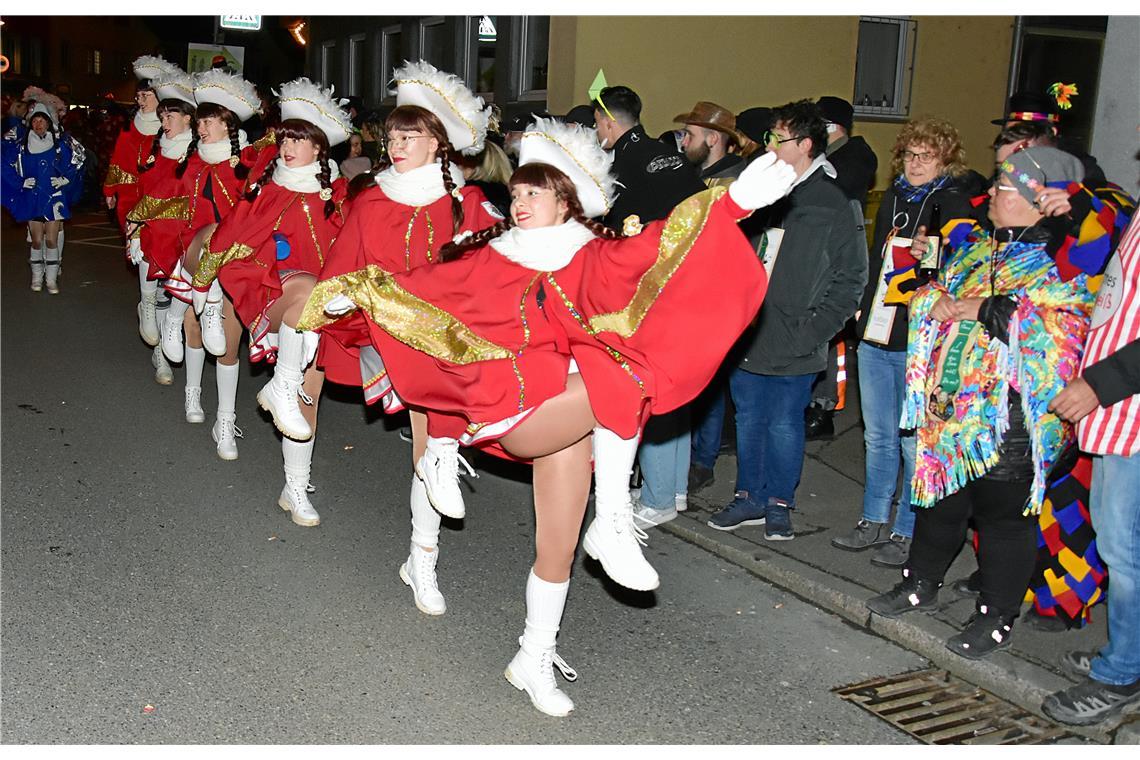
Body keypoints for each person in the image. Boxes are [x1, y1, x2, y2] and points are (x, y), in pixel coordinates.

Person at [299, 117, 797, 716]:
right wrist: (356, 292)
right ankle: (603, 515)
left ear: (568, 200)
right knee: (622, 374)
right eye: (516, 193)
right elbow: (416, 287)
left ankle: (532, 656)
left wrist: (733, 203)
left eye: (534, 192)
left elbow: (662, 245)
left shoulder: (592, 258)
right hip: (498, 411)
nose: (520, 203)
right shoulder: (492, 257)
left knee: (558, 545)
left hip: (562, 418)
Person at [281, 61, 501, 599]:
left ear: (438, 144)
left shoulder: (466, 203)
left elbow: (497, 274)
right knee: (309, 373)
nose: (397, 145)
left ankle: (421, 559)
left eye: (411, 136)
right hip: (365, 315)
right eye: (393, 135)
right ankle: (294, 483)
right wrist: (317, 316)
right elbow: (340, 264)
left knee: (434, 434)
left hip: (426, 332)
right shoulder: (373, 197)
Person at [866, 147, 1096, 659]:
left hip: (1011, 423)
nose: (989, 194)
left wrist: (989, 309)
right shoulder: (975, 249)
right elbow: (927, 292)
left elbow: (1063, 331)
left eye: (1004, 188)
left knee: (1004, 521)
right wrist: (937, 301)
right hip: (950, 415)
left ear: (1040, 201)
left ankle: (996, 615)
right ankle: (920, 581)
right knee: (939, 503)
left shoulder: (1066, 261)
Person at [191, 77, 352, 528]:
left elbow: (353, 248)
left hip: (316, 308)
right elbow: (231, 235)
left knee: (307, 398)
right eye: (286, 137)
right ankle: (225, 418)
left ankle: (295, 486)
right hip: (262, 289)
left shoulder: (337, 196)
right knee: (230, 345)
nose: (288, 147)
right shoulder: (267, 188)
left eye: (299, 140)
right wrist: (203, 283)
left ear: (320, 149)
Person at [706, 99, 867, 541]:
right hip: (749, 333)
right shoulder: (760, 192)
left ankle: (779, 502)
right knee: (749, 419)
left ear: (806, 145)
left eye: (778, 138)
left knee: (783, 424)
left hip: (797, 337)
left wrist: (815, 329)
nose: (769, 145)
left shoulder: (834, 203)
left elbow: (852, 277)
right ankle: (748, 496)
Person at [833, 117, 983, 568]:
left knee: (913, 440)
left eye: (927, 156)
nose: (916, 164)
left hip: (920, 338)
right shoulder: (897, 195)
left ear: (945, 161)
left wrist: (935, 257)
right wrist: (861, 308)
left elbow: (966, 263)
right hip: (880, 329)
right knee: (878, 435)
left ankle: (906, 529)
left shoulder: (953, 201)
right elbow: (879, 262)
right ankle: (872, 518)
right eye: (911, 155)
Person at [1042, 210, 1140, 725]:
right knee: (1118, 544)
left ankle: (1122, 673)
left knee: (1125, 551)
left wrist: (1098, 382)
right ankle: (1128, 650)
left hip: (1129, 405)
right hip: (1119, 410)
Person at [805, 96, 881, 440]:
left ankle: (824, 409)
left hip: (834, 259)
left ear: (831, 128)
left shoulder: (852, 160)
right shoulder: (834, 159)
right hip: (819, 256)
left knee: (830, 336)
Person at [122, 69, 196, 392]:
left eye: (170, 116)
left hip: (184, 235)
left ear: (188, 119)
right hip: (154, 231)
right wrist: (134, 227)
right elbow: (140, 192)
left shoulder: (197, 153)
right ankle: (147, 307)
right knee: (155, 293)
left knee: (176, 297)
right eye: (162, 115)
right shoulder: (154, 152)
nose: (164, 122)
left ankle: (165, 346)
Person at [1, 97, 85, 295]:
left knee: (52, 240)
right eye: (35, 121)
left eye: (42, 120)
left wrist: (66, 179)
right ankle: (36, 277)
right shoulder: (21, 146)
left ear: (49, 122)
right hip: (32, 197)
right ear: (30, 122)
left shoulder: (59, 144)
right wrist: (19, 182)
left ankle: (51, 279)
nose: (38, 124)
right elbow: (3, 163)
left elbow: (78, 159)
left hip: (53, 198)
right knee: (37, 240)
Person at [592, 85, 705, 230]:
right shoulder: (673, 153)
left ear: (608, 124)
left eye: (596, 123)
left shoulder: (618, 170)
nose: (595, 129)